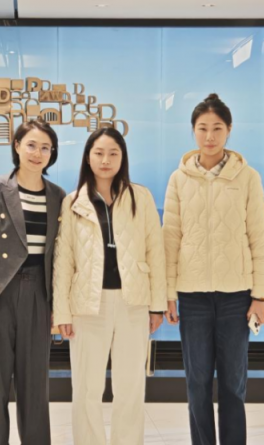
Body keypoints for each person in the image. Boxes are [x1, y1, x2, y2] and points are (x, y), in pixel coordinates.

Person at [163, 93, 264, 445]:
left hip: (236, 296)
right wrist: (168, 295)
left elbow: (260, 238)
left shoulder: (247, 177)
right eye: (202, 128)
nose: (209, 136)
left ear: (229, 130)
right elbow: (170, 238)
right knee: (196, 383)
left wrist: (260, 296)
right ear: (193, 131)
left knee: (232, 384)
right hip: (192, 296)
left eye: (217, 128)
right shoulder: (178, 179)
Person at [54, 127, 167, 445]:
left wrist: (157, 305)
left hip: (133, 302)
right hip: (87, 305)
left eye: (113, 153)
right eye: (99, 153)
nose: (105, 160)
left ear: (122, 158)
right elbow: (64, 260)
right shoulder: (73, 202)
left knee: (131, 387)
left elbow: (155, 252)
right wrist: (62, 312)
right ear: (88, 157)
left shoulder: (140, 197)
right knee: (86, 388)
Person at [0, 119, 67, 445]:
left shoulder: (57, 196)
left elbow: (59, 256)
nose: (37, 153)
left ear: (52, 153)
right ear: (17, 146)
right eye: (31, 145)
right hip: (1, 292)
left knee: (35, 386)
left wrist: (57, 305)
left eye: (45, 148)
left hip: (40, 292)